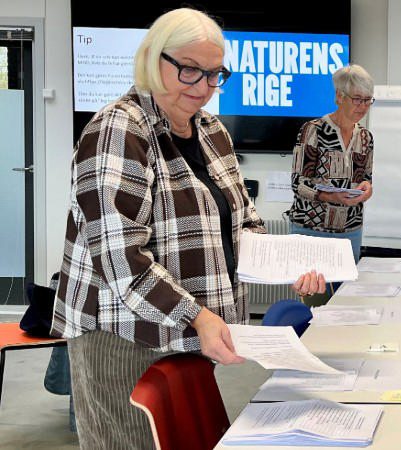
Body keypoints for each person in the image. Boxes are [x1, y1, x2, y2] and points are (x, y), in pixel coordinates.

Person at [50, 9, 324, 449]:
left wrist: (285, 264)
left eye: (215, 74)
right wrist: (197, 316)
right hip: (124, 339)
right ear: (153, 59)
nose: (203, 89)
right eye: (190, 70)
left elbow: (243, 223)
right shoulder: (118, 130)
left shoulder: (212, 131)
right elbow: (123, 260)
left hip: (188, 333)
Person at [287, 64, 375, 273]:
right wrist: (331, 197)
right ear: (339, 96)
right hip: (311, 231)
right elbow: (298, 184)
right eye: (357, 99)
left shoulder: (365, 137)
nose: (362, 107)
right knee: (313, 300)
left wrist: (366, 188)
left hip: (350, 231)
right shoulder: (313, 130)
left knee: (344, 300)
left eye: (367, 100)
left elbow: (366, 178)